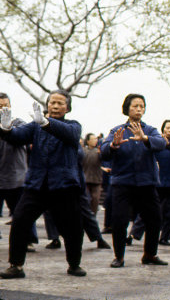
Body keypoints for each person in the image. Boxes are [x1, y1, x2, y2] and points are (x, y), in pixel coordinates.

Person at [0, 90, 86, 278]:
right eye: (52, 102)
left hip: (64, 186)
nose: (55, 106)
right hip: (37, 185)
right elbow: (18, 137)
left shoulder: (73, 126)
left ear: (68, 107)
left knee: (72, 228)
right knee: (20, 221)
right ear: (47, 105)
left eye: (60, 103)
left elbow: (70, 135)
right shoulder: (35, 126)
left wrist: (47, 123)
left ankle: (74, 264)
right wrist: (6, 129)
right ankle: (16, 265)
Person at [101, 93, 168, 268]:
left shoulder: (150, 130)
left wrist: (145, 139)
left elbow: (161, 143)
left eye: (142, 106)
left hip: (147, 182)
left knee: (154, 219)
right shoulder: (117, 130)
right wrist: (113, 145)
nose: (139, 109)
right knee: (119, 220)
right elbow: (104, 150)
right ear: (127, 109)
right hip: (123, 182)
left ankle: (149, 254)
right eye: (135, 106)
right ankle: (119, 257)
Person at [0, 93, 37, 250]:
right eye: (0, 106)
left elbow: (24, 137)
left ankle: (28, 240)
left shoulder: (20, 123)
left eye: (5, 105)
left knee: (22, 213)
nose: (3, 109)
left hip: (18, 176)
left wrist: (7, 128)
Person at [82, 133, 103, 214]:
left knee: (95, 200)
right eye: (93, 139)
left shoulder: (99, 151)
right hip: (85, 180)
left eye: (96, 139)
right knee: (86, 201)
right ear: (88, 141)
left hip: (97, 180)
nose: (95, 140)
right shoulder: (83, 151)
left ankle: (92, 218)